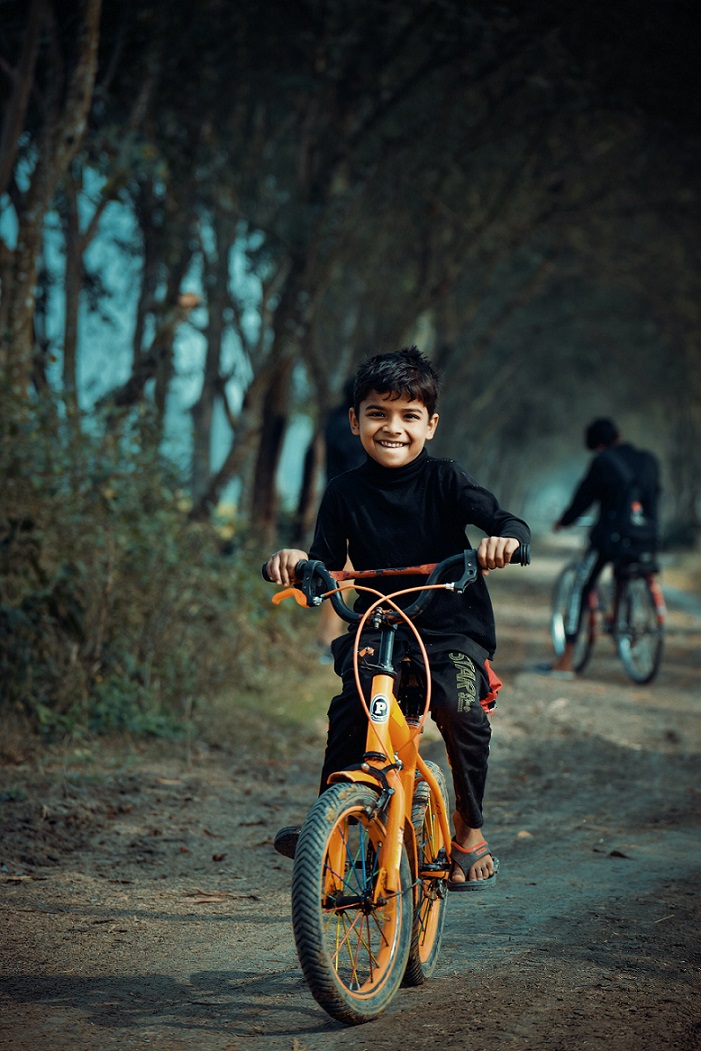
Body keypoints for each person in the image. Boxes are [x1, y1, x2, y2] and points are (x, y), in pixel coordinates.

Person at [264, 346, 531, 889]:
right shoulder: (343, 493)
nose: (393, 427)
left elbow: (504, 519)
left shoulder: (445, 480)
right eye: (378, 414)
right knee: (350, 711)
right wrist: (295, 564)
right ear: (355, 421)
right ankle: (329, 826)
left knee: (460, 710)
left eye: (409, 416)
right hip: (381, 626)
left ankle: (469, 828)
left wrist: (506, 541)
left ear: (430, 426)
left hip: (451, 626)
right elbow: (323, 561)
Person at [543, 417, 660, 677]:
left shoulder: (603, 462)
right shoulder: (648, 460)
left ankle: (567, 659)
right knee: (624, 571)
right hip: (646, 539)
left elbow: (583, 498)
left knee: (580, 587)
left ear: (596, 445)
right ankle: (619, 622)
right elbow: (654, 500)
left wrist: (564, 521)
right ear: (618, 434)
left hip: (611, 539)